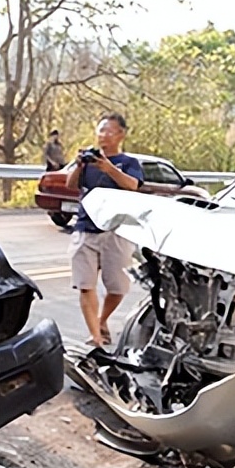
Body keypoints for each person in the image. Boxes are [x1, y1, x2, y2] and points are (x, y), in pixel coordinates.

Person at [67, 113, 143, 349]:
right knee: (85, 284)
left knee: (118, 287)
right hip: (85, 228)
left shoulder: (129, 162)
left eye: (109, 131)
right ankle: (96, 336)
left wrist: (109, 169)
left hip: (116, 231)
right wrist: (79, 166)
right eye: (101, 130)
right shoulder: (88, 162)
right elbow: (71, 185)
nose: (104, 135)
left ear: (121, 135)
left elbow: (132, 185)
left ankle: (101, 321)